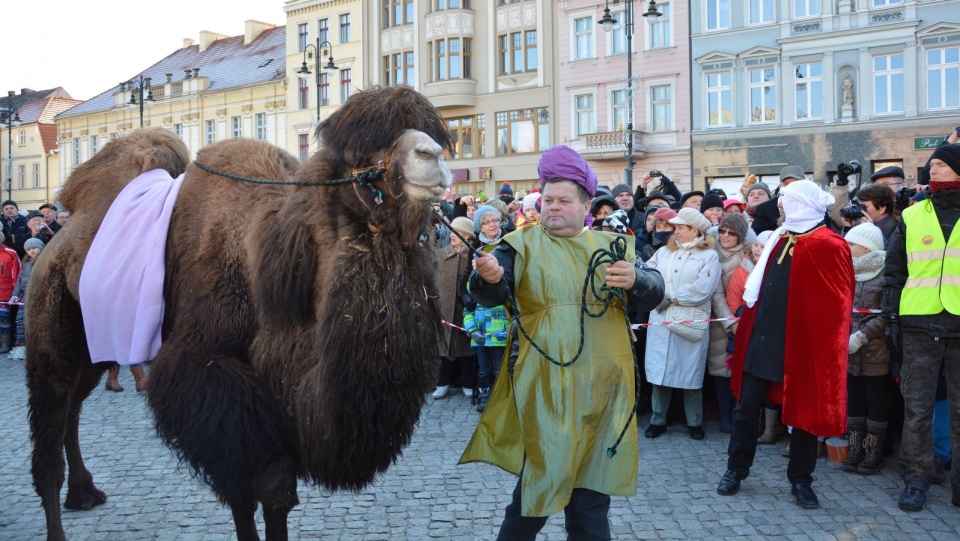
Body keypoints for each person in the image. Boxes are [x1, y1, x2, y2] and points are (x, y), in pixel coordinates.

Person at [459, 145, 665, 541]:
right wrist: (485, 279)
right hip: (546, 387)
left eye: (562, 200)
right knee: (537, 487)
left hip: (604, 389)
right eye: (547, 199)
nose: (552, 207)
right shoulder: (518, 243)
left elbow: (656, 293)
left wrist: (638, 281)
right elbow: (489, 290)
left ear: (585, 204)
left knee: (591, 503)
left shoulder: (613, 245)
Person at [718, 179, 854, 510]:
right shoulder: (781, 238)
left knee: (804, 417)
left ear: (803, 205)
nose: (780, 206)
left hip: (803, 348)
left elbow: (839, 305)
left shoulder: (830, 244)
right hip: (763, 340)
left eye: (786, 201)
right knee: (746, 410)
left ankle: (801, 479)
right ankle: (735, 470)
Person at [884, 143, 960, 512]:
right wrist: (892, 317)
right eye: (933, 165)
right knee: (917, 408)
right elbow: (895, 271)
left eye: (942, 165)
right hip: (919, 324)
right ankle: (916, 477)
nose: (933, 170)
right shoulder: (913, 215)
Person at [643, 208, 721, 441]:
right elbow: (647, 273)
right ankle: (658, 420)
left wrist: (672, 297)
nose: (674, 231)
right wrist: (656, 294)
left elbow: (703, 289)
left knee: (690, 374)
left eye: (680, 228)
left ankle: (694, 422)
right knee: (660, 372)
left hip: (688, 322)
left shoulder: (709, 255)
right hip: (661, 320)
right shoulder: (665, 252)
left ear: (694, 230)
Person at [841, 223, 890, 475]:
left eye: (852, 244)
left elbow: (886, 314)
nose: (847, 248)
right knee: (855, 403)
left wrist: (861, 336)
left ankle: (873, 452)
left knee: (876, 404)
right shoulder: (846, 271)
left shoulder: (885, 273)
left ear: (868, 247)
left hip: (875, 351)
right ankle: (856, 448)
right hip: (848, 352)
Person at [708, 213, 752, 434]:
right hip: (718, 319)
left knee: (740, 369)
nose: (725, 236)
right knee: (718, 368)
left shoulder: (750, 253)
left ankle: (738, 414)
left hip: (744, 318)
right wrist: (729, 321)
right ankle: (724, 415)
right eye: (722, 231)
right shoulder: (710, 253)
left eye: (731, 233)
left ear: (740, 236)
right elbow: (715, 294)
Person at [465, 205, 510, 412]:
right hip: (481, 318)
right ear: (479, 226)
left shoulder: (510, 242)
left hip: (503, 315)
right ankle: (484, 395)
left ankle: (502, 396)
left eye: (494, 220)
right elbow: (466, 283)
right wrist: (468, 299)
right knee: (484, 368)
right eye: (486, 222)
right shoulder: (475, 249)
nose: (492, 225)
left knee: (501, 365)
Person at [432, 216, 478, 400]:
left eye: (457, 232)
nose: (452, 235)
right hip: (443, 308)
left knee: (466, 349)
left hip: (465, 309)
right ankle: (442, 383)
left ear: (467, 235)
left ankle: (467, 383)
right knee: (444, 348)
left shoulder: (474, 255)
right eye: (451, 231)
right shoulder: (440, 255)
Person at [8, 238, 46, 358]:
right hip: (25, 297)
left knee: (39, 322)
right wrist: (15, 295)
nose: (32, 251)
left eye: (34, 248)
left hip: (40, 296)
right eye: (29, 249)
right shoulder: (25, 263)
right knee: (20, 320)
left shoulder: (45, 262)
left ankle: (41, 346)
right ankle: (21, 345)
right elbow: (20, 281)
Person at [0, 231, 21, 354]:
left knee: (4, 319)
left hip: (5, 292)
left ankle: (5, 343)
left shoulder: (10, 253)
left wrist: (15, 293)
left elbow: (17, 273)